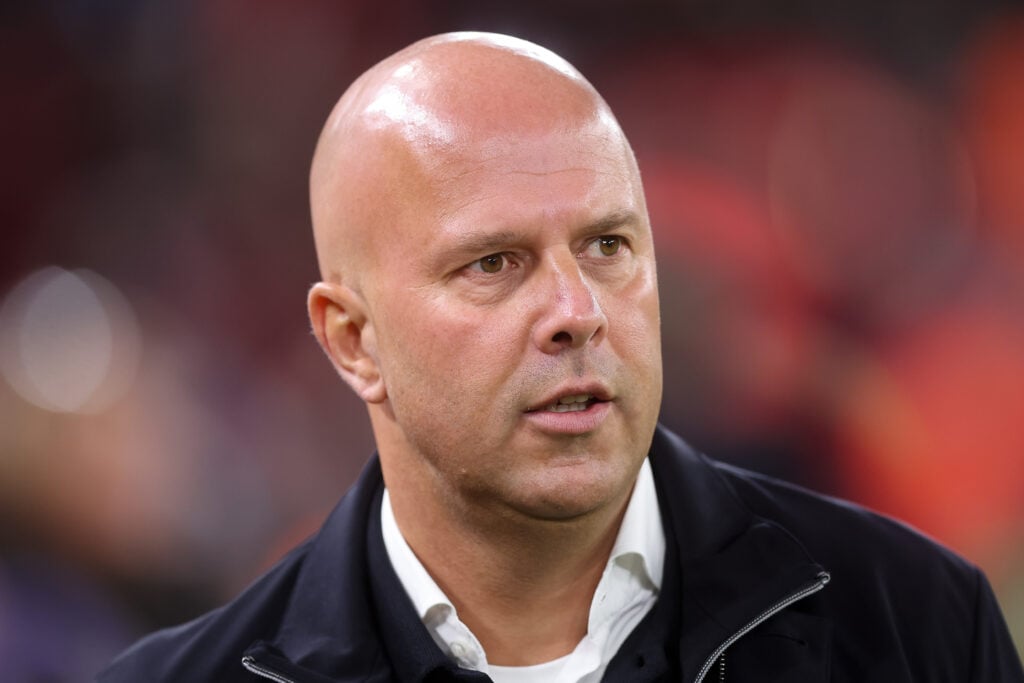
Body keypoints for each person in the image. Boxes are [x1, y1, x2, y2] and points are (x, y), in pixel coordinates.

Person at [99, 32, 1023, 683]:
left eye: (608, 248)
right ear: (354, 339)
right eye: (494, 264)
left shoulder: (919, 621)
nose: (576, 312)